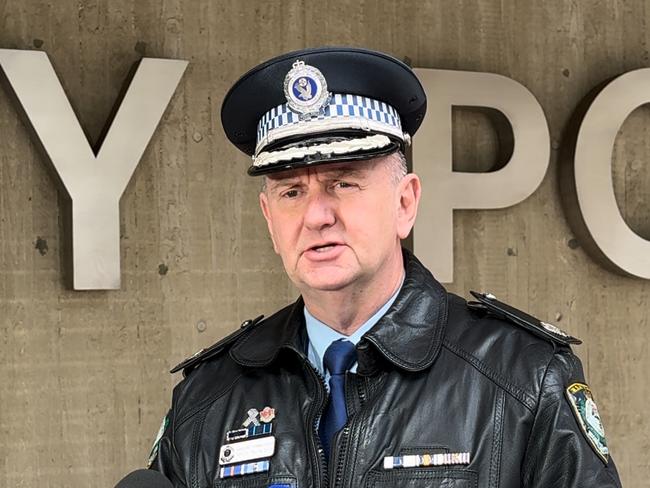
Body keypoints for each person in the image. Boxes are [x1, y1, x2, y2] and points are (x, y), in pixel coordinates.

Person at [148, 47, 622, 487]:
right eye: (292, 192)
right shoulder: (207, 398)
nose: (316, 216)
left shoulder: (522, 378)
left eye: (344, 184)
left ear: (405, 203)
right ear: (270, 220)